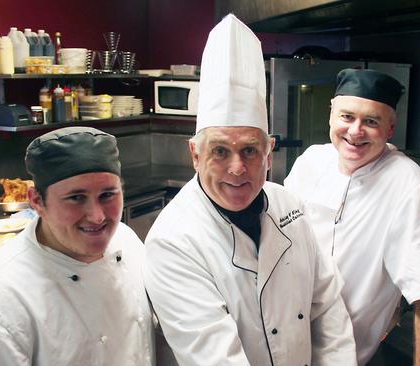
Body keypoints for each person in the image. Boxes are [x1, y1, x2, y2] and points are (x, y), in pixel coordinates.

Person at [144, 14, 357, 366]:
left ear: (269, 152)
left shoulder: (288, 204)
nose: (237, 169)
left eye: (249, 150)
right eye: (220, 151)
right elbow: (214, 358)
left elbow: (327, 306)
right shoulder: (174, 241)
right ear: (195, 155)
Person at [284, 69, 420, 365]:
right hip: (280, 343)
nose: (355, 131)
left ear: (390, 129)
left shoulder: (407, 184)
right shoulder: (310, 162)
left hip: (342, 357)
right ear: (331, 116)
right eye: (347, 117)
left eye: (371, 121)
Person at [0, 127, 155, 365]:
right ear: (36, 200)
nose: (97, 216)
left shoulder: (126, 242)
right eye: (76, 198)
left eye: (108, 195)